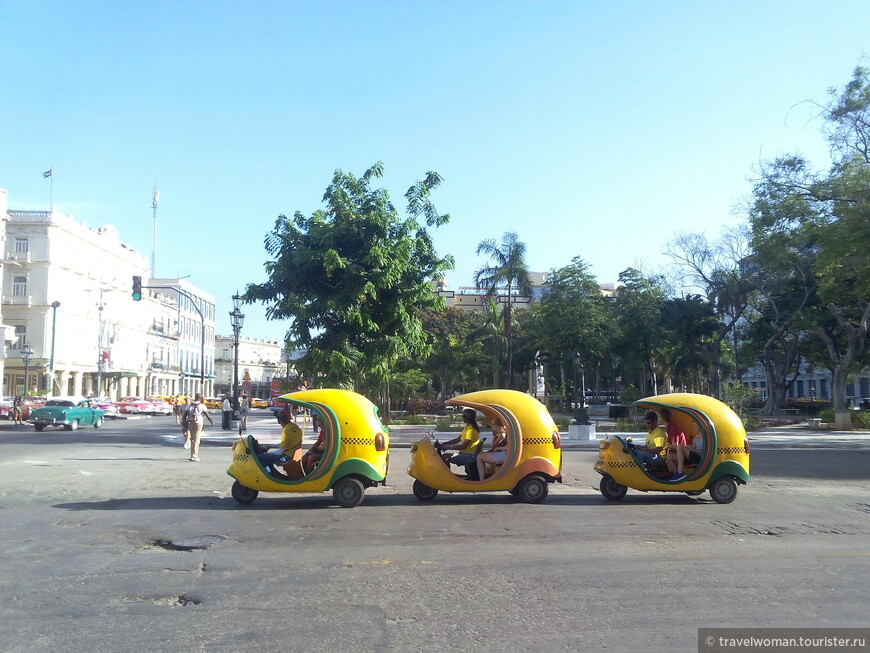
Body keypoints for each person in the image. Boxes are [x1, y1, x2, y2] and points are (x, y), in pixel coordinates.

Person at [439, 408, 481, 472]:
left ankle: (448, 478)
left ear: (466, 418)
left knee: (445, 457)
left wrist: (449, 447)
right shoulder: (467, 427)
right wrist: (444, 443)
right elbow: (457, 439)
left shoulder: (471, 430)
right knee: (445, 456)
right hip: (466, 454)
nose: (462, 418)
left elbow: (464, 446)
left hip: (469, 456)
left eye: (463, 416)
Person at [476, 417, 508, 481]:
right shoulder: (499, 433)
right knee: (481, 454)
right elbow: (493, 448)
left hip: (505, 454)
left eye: (494, 425)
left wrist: (489, 423)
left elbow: (493, 446)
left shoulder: (502, 434)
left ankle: (482, 480)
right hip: (501, 452)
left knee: (479, 457)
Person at [661, 407, 688, 480]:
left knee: (669, 457)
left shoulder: (672, 428)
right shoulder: (670, 427)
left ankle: (677, 475)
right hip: (679, 453)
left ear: (661, 419)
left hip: (682, 455)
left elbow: (674, 446)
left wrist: (665, 444)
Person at [186, 393, 214, 462]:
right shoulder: (202, 405)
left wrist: (183, 422)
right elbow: (207, 415)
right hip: (199, 423)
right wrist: (212, 422)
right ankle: (194, 456)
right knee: (196, 439)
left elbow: (184, 414)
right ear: (201, 398)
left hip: (190, 422)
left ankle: (192, 455)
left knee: (192, 439)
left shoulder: (190, 405)